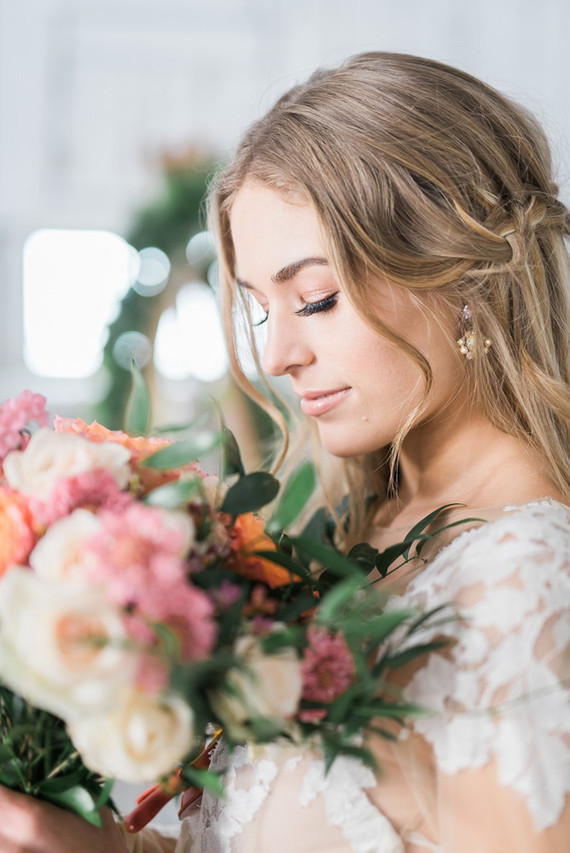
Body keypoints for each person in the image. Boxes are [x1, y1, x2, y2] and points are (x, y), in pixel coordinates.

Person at [1, 51, 569, 852]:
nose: (277, 357)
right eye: (264, 310)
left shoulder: (524, 582)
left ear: (463, 275)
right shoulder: (348, 533)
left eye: (316, 298)